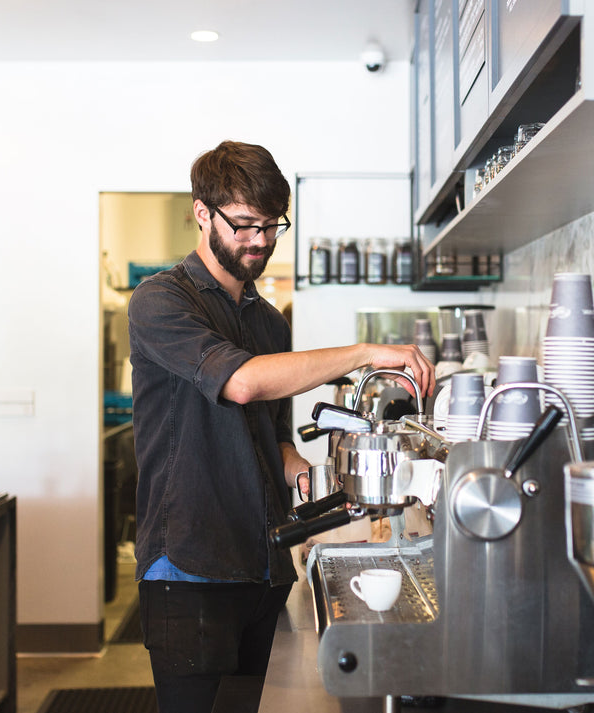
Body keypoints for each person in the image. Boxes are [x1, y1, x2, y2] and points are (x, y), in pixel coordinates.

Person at [127, 140, 434, 713]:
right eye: (245, 225)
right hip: (191, 566)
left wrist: (310, 480)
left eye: (272, 226)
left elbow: (273, 437)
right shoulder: (161, 301)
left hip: (263, 563)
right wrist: (364, 352)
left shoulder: (268, 323)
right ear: (202, 212)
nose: (261, 241)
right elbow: (241, 383)